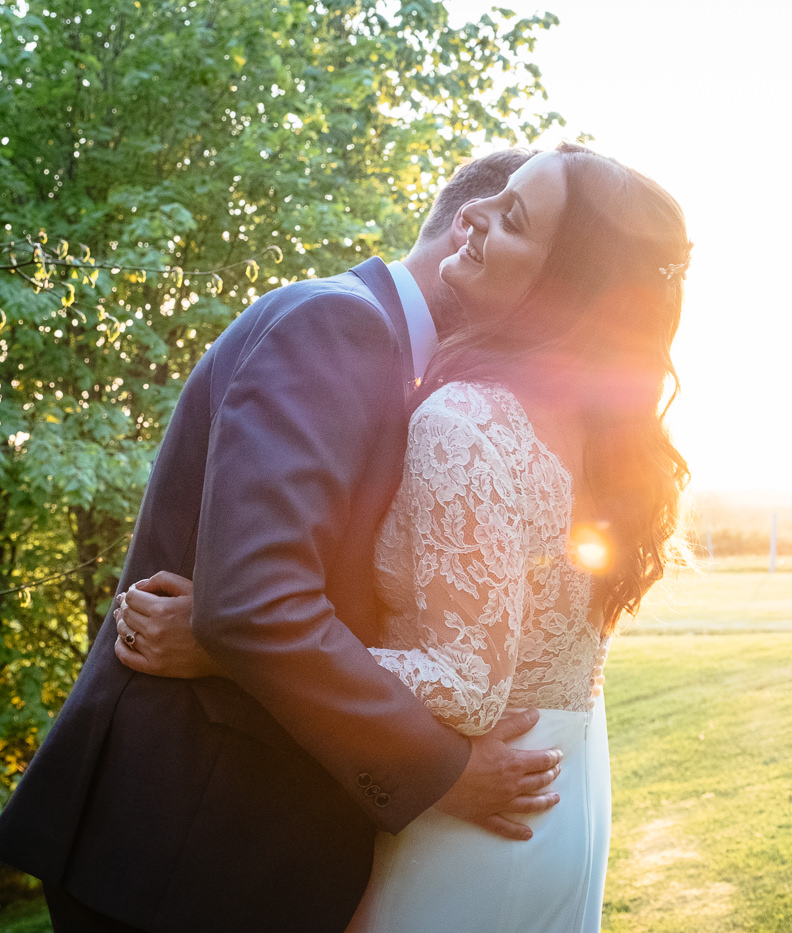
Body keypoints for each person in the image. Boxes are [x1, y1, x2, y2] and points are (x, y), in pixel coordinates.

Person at [105, 144, 691, 931]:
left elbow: (468, 679)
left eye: (513, 216)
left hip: (488, 807)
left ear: (563, 288)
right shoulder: (599, 438)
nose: (467, 217)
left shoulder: (466, 419)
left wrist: (225, 650)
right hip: (566, 791)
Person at [0, 149, 570, 933]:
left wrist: (215, 636)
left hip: (232, 852)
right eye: (501, 214)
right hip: (182, 847)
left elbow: (278, 605)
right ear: (462, 225)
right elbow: (257, 607)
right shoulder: (335, 325)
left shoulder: (427, 387)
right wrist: (442, 772)